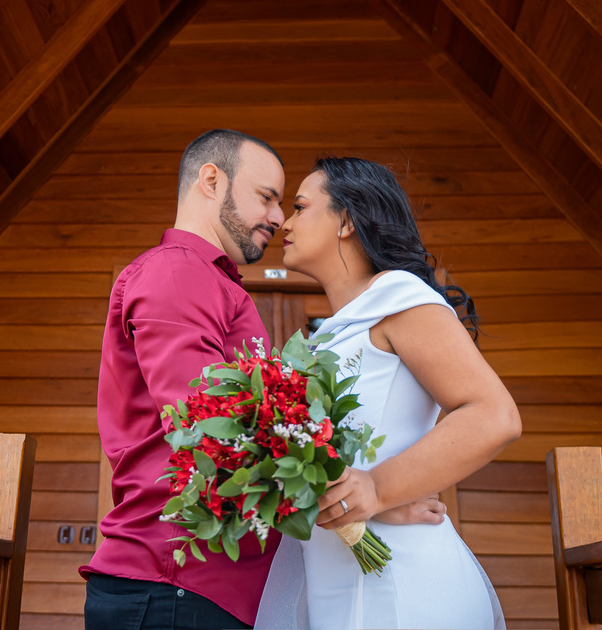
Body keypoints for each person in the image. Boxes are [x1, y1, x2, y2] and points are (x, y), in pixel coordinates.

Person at [82, 132, 448, 630]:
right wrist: (367, 506)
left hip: (200, 587)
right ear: (212, 181)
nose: (278, 218)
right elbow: (212, 428)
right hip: (176, 581)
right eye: (267, 197)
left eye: (286, 204)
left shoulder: (211, 283)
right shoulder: (178, 273)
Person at [255, 156, 522, 630]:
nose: (285, 224)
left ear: (346, 221)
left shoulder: (400, 300)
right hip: (336, 578)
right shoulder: (326, 337)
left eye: (299, 206)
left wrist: (379, 489)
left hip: (402, 585)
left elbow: (493, 414)